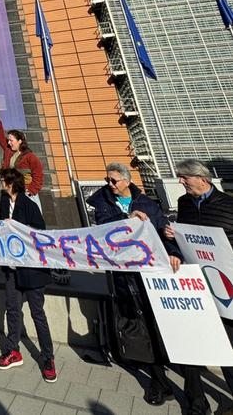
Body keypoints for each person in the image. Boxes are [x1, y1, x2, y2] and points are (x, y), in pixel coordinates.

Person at [86, 162, 175, 405]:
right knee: (139, 326)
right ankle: (158, 380)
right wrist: (128, 219)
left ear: (127, 180)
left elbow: (162, 229)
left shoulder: (147, 203)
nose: (110, 185)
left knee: (156, 322)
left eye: (114, 180)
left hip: (150, 272)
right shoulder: (103, 204)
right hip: (125, 274)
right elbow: (104, 229)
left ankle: (164, 371)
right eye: (108, 180)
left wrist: (173, 249)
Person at [164, 159, 233, 415]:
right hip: (194, 283)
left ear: (202, 179)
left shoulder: (228, 205)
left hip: (225, 286)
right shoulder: (184, 203)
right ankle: (195, 402)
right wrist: (173, 244)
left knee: (227, 343)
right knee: (191, 341)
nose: (180, 181)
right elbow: (182, 238)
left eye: (184, 177)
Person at [0, 168, 57, 383]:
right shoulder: (4, 202)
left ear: (11, 183)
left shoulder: (29, 205)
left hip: (31, 271)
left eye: (3, 180)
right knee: (12, 309)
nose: (1, 183)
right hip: (12, 269)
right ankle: (13, 350)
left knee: (37, 313)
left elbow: (40, 231)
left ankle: (48, 358)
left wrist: (19, 227)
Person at [0, 117, 43, 212]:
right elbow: (0, 136)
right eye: (8, 140)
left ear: (20, 141)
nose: (8, 143)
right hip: (11, 192)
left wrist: (31, 191)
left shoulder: (30, 156)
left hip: (26, 193)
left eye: (11, 140)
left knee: (30, 220)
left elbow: (38, 176)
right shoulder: (8, 150)